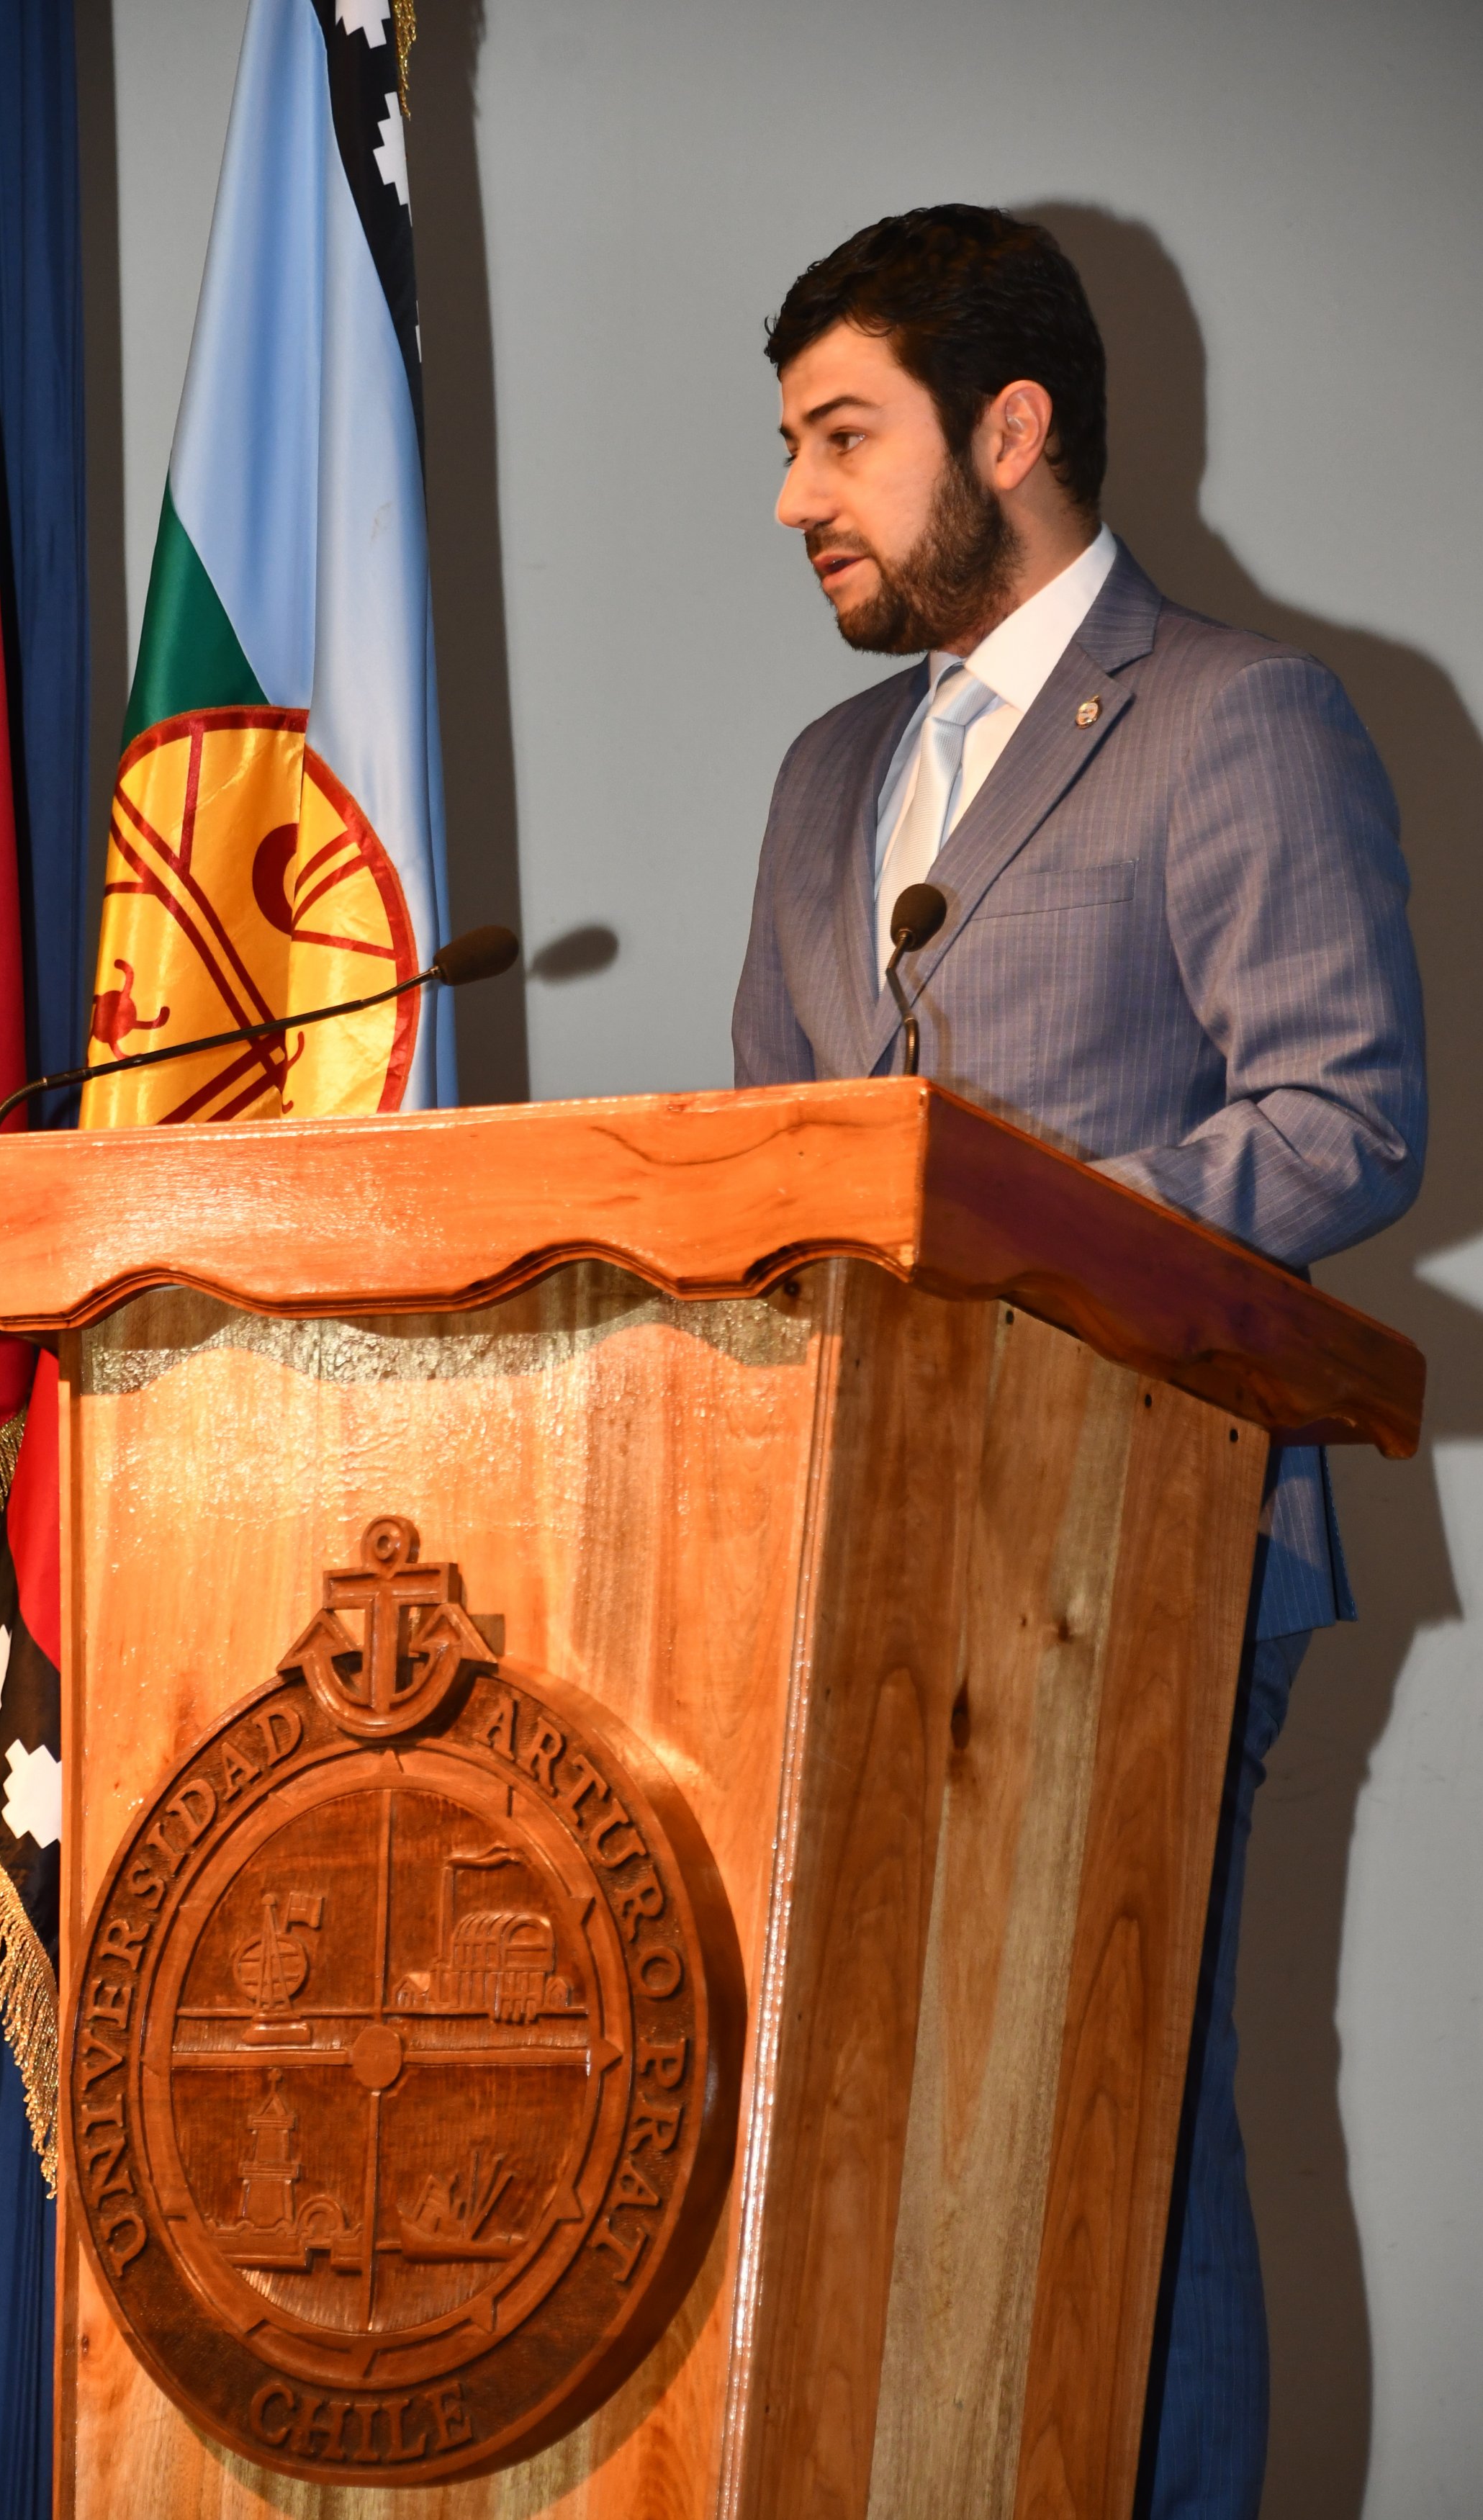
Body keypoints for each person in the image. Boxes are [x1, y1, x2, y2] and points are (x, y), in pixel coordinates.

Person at [733, 204, 1425, 2518]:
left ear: (1008, 427)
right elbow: (777, 1164)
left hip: (1148, 1536)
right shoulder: (827, 775)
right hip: (853, 1555)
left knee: (1119, 2120)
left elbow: (1341, 1112)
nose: (796, 495)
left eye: (843, 436)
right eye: (792, 443)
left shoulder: (1240, 716)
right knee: (901, 2125)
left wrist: (1016, 1237)